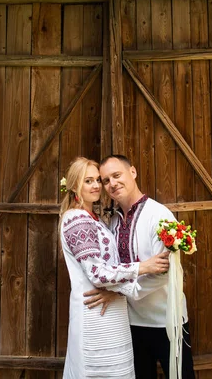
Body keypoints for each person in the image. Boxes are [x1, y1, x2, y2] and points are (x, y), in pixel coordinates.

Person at [84, 154, 196, 379]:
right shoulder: (113, 221)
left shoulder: (159, 215)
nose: (112, 184)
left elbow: (164, 273)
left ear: (132, 172)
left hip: (166, 322)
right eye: (106, 181)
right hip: (131, 324)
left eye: (117, 175)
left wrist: (117, 292)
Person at [59, 157, 170, 379]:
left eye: (98, 180)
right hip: (96, 313)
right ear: (73, 186)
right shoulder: (77, 220)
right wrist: (143, 267)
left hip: (115, 314)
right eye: (87, 180)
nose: (97, 185)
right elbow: (97, 274)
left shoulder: (97, 219)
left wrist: (116, 290)